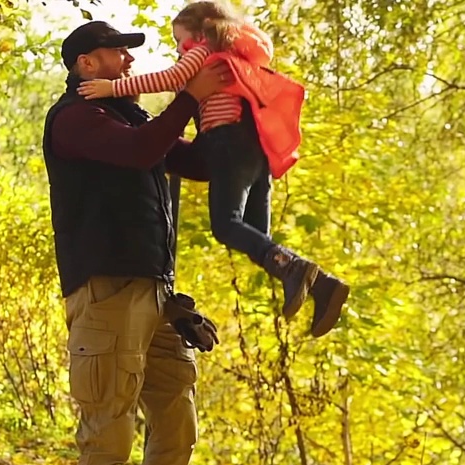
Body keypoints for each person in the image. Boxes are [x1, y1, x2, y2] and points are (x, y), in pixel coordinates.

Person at [43, 19, 229, 465]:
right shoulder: (73, 119)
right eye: (116, 53)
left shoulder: (138, 119)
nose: (129, 62)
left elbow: (197, 164)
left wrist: (223, 110)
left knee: (176, 425)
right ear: (85, 65)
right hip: (105, 292)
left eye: (129, 54)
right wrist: (188, 95)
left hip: (157, 295)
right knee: (108, 433)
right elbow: (139, 154)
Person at [78, 0, 350, 339]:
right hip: (256, 150)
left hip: (227, 143)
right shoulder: (237, 53)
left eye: (179, 41)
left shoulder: (204, 49)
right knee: (255, 238)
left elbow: (172, 77)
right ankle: (321, 285)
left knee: (227, 225)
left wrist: (112, 88)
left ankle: (297, 269)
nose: (179, 49)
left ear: (202, 27)